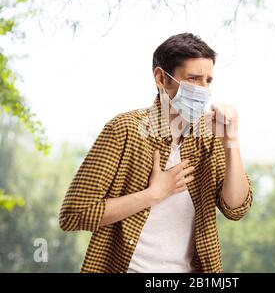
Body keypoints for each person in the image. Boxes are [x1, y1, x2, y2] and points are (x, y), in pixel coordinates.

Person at [58, 32, 253, 273]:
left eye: (208, 81)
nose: (203, 90)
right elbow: (74, 214)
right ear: (161, 78)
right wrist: (153, 194)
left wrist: (231, 141)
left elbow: (236, 208)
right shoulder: (124, 130)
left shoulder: (210, 138)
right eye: (193, 79)